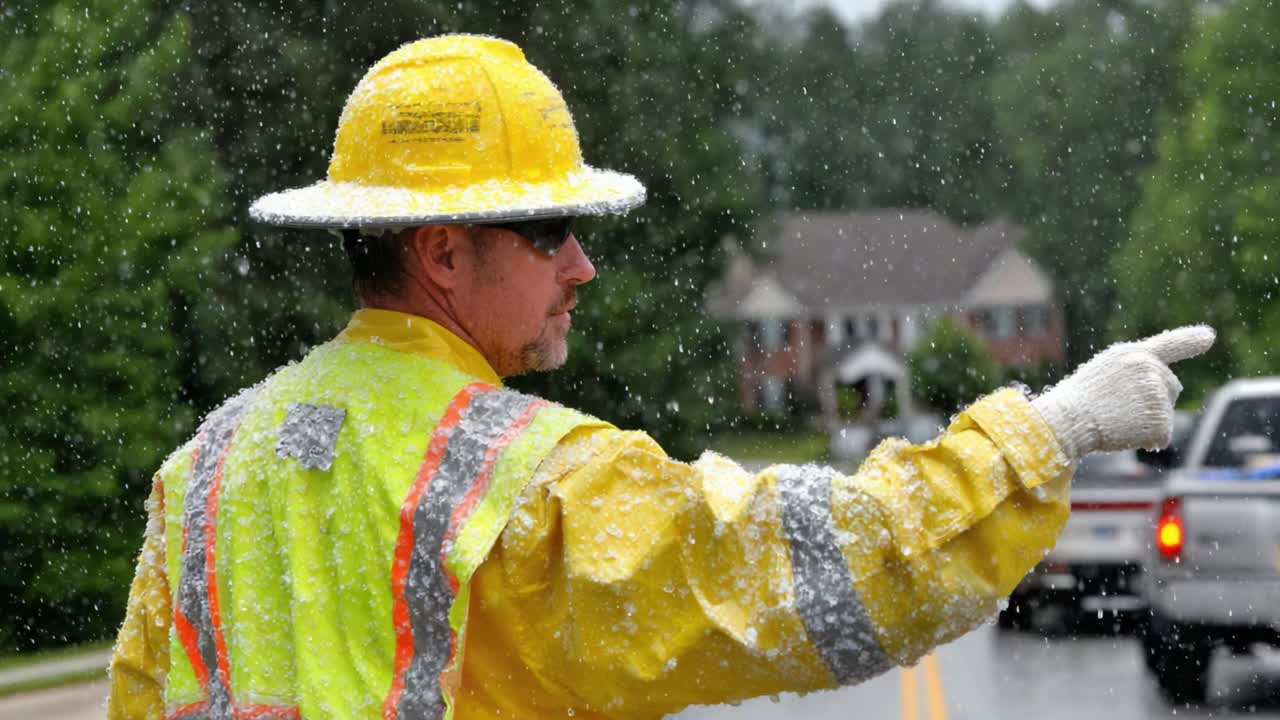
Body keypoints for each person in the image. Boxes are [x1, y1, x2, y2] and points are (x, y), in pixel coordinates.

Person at [107, 34, 1214, 720]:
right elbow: (805, 571)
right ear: (440, 251)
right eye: (547, 229)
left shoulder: (200, 475)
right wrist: (1048, 427)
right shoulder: (507, 484)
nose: (581, 265)